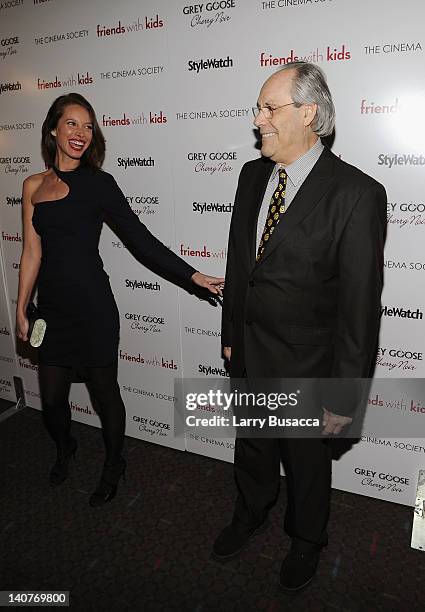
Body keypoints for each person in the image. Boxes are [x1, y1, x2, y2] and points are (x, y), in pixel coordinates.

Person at [212, 62, 387, 590]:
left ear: (308, 113)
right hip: (249, 354)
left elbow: (359, 311)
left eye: (269, 108)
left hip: (309, 367)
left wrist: (343, 397)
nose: (257, 118)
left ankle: (307, 539)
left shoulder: (356, 194)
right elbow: (241, 265)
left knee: (308, 466)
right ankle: (251, 512)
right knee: (253, 446)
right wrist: (228, 335)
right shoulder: (251, 176)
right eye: (259, 107)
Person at [16, 92, 224, 507]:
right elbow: (31, 251)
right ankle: (65, 447)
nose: (81, 133)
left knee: (105, 392)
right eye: (72, 124)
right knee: (53, 403)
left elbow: (140, 239)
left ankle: (115, 463)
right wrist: (21, 308)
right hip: (53, 313)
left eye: (88, 126)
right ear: (54, 129)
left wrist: (192, 275)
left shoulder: (99, 184)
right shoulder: (32, 186)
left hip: (93, 309)